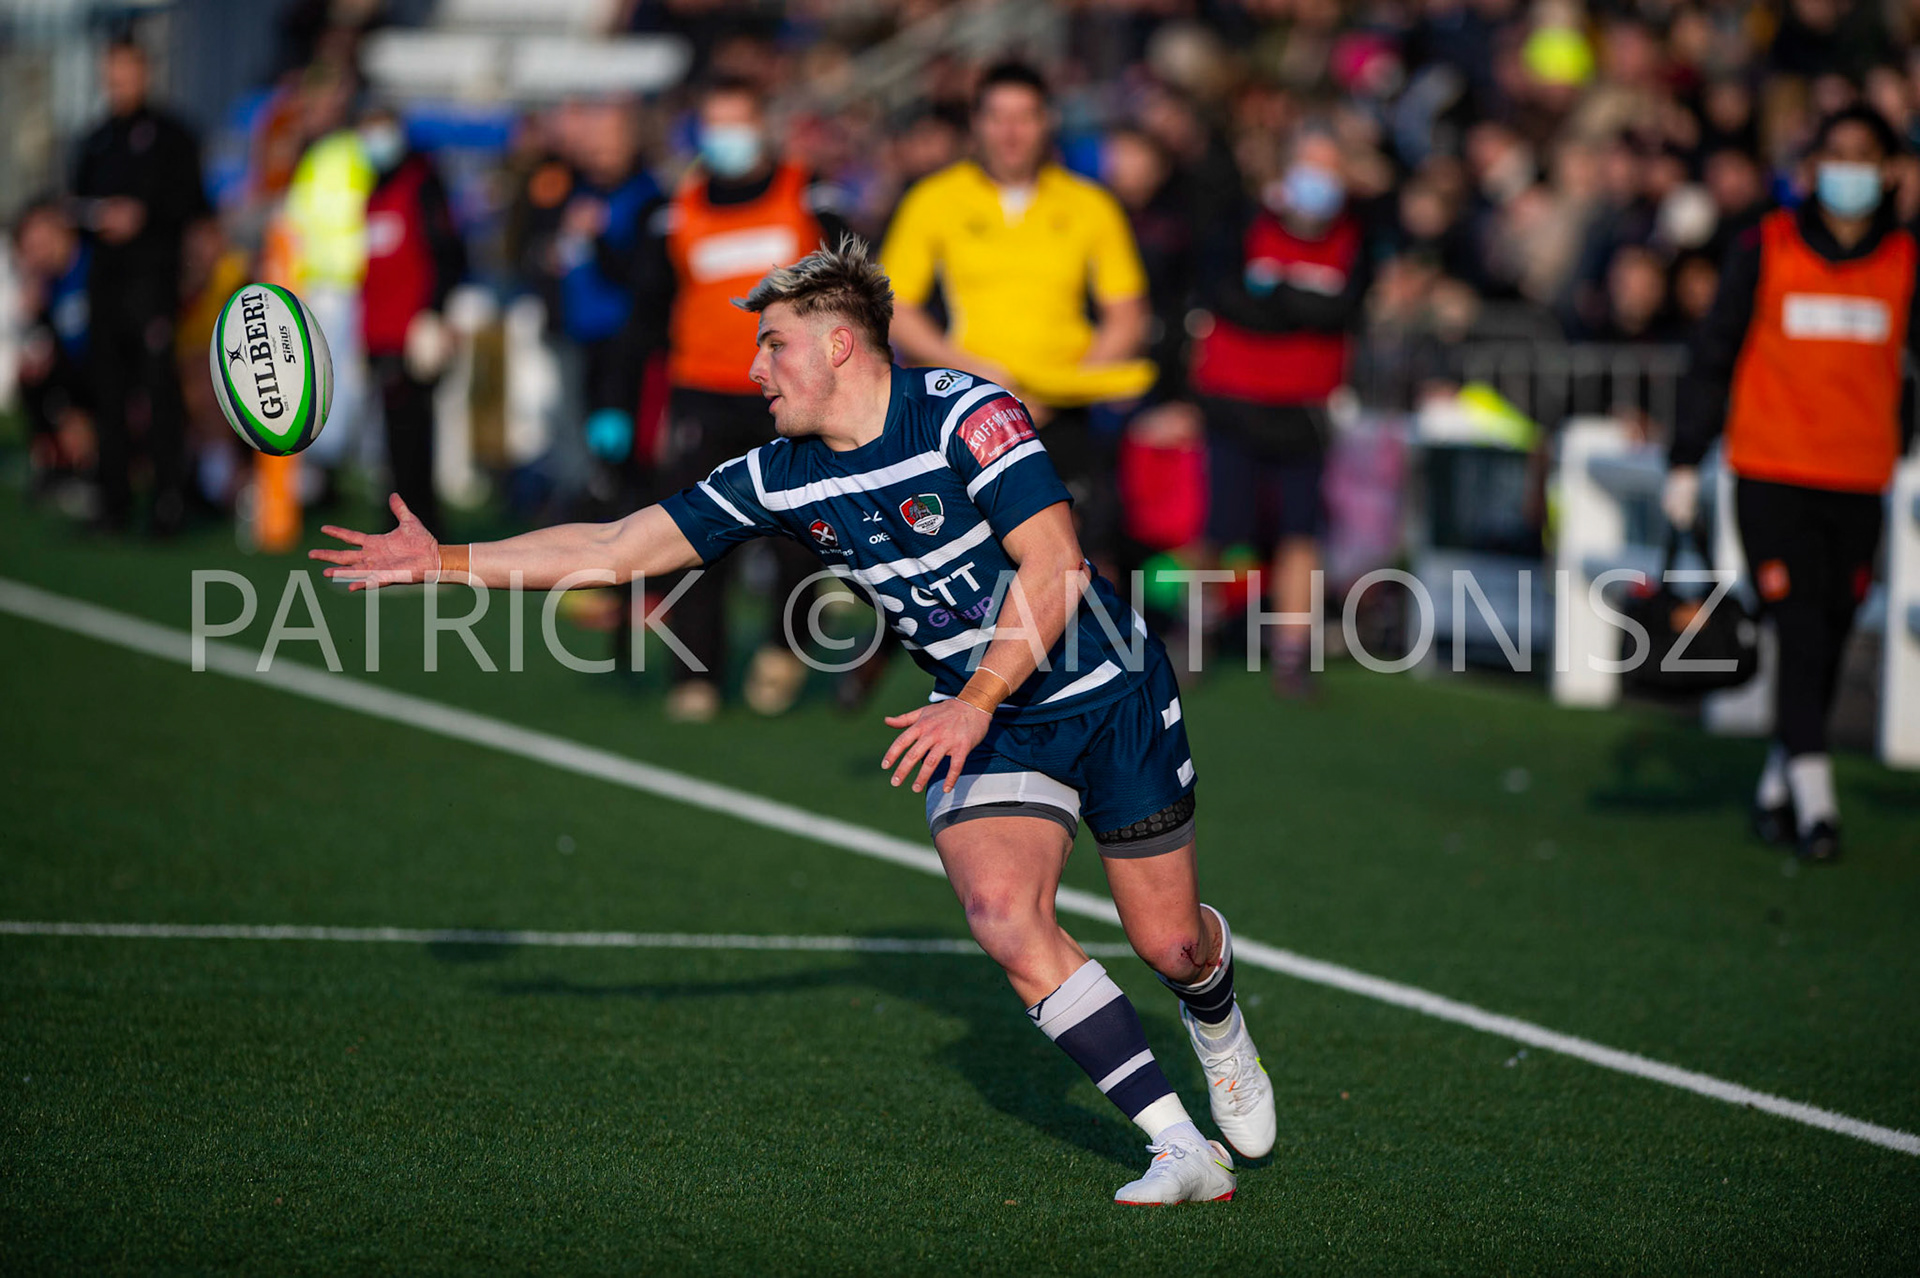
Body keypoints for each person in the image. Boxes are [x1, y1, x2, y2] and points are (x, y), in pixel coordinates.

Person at [312, 239, 1277, 1206]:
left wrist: (974, 699)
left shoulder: (967, 414)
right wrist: (444, 559)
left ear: (842, 344)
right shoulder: (779, 473)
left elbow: (1055, 565)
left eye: (772, 345)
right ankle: (1177, 1144)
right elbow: (615, 546)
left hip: (1106, 693)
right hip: (985, 719)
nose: (753, 369)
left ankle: (1216, 1016)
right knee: (1002, 916)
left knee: (1171, 948)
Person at [1665, 105, 1919, 864]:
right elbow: (1714, 355)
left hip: (1857, 474)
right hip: (1772, 468)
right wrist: (1685, 457)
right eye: (1835, 156)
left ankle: (1780, 781)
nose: (1849, 173)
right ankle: (1817, 801)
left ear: (1890, 171)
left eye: (1864, 157)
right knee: (1797, 623)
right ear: (1810, 171)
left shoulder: (1905, 261)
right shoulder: (1764, 249)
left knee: (1834, 627)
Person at [880, 60, 1155, 573]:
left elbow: (1127, 315)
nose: (1010, 132)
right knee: (962, 566)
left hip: (1062, 411)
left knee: (1083, 559)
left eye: (1025, 117)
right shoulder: (933, 200)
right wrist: (966, 369)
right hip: (966, 412)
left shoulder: (1090, 205)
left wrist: (1062, 384)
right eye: (997, 117)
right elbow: (896, 309)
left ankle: (1099, 654)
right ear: (976, 124)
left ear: (1048, 121)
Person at [632, 76, 845, 721]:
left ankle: (787, 644)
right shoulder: (677, 211)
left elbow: (853, 292)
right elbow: (648, 311)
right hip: (703, 391)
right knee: (695, 536)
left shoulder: (809, 196)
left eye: (738, 120)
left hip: (793, 393)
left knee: (806, 530)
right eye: (714, 121)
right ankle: (695, 672)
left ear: (762, 124)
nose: (726, 136)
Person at [1189, 128, 1371, 696]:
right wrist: (1297, 307)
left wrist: (1277, 300)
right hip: (1234, 396)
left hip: (1306, 408)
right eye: (1310, 166)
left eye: (1331, 168)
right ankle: (1196, 636)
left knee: (1301, 530)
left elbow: (1340, 309)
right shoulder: (1243, 220)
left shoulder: (1354, 237)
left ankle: (1293, 651)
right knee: (1219, 526)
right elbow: (1227, 296)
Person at [69, 38, 209, 533]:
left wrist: (143, 216)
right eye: (111, 73)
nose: (118, 82)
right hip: (106, 282)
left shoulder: (172, 137)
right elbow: (74, 205)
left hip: (153, 282)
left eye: (125, 71)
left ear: (144, 72)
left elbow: (192, 203)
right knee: (108, 393)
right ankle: (113, 500)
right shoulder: (95, 139)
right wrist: (97, 217)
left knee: (159, 390)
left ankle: (169, 500)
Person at [357, 106, 467, 532]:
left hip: (413, 330)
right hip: (379, 331)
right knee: (390, 438)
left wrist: (434, 315)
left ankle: (420, 526)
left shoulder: (421, 183)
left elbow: (448, 252)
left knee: (414, 434)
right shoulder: (373, 189)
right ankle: (397, 525)